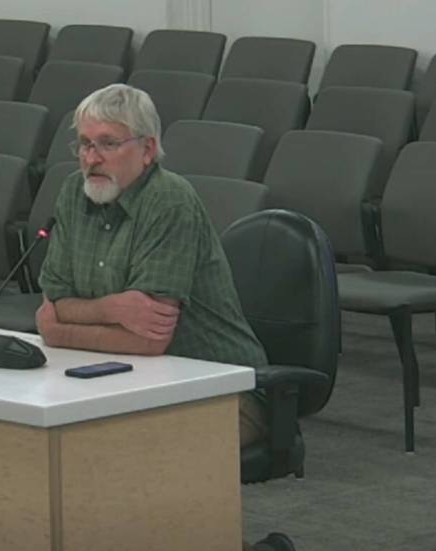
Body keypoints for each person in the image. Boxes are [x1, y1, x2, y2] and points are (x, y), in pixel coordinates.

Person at [35, 83, 269, 449]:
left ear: (147, 150)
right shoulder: (73, 192)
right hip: (125, 381)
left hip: (219, 390)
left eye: (108, 143)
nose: (91, 158)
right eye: (84, 144)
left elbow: (147, 340)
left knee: (116, 451)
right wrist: (111, 309)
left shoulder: (169, 200)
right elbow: (54, 303)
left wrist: (59, 330)